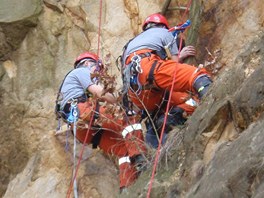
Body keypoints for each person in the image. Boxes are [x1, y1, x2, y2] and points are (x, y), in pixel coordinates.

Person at [55, 52, 147, 192]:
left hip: (81, 129)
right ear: (87, 63)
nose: (98, 73)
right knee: (129, 116)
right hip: (84, 111)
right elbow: (100, 93)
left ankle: (127, 187)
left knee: (122, 147)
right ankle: (140, 157)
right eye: (98, 69)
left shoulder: (73, 84)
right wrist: (122, 100)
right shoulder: (81, 71)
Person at [121, 13, 212, 146]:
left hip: (136, 93)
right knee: (197, 75)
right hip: (148, 69)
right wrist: (180, 56)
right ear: (163, 25)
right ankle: (212, 101)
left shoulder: (131, 44)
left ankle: (162, 126)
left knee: (159, 110)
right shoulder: (164, 32)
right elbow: (174, 68)